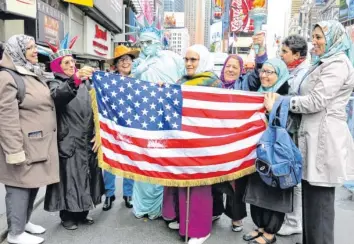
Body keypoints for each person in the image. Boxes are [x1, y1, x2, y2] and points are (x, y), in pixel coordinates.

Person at [264, 20, 354, 244]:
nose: (314, 42)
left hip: (324, 140)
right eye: (313, 37)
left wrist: (282, 103)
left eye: (319, 37)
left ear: (334, 38)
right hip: (311, 138)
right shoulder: (323, 62)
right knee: (311, 202)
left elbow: (316, 101)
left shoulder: (338, 64)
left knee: (320, 206)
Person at [0, 34, 59, 244]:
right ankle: (15, 233)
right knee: (18, 187)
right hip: (22, 146)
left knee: (33, 184)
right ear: (17, 51)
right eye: (30, 48)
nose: (36, 51)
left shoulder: (31, 72)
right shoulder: (7, 77)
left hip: (38, 144)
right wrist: (14, 151)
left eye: (36, 47)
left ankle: (24, 222)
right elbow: (5, 119)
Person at [44, 34, 105, 230]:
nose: (72, 65)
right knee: (70, 180)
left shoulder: (86, 83)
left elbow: (96, 110)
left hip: (88, 139)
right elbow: (59, 97)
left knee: (87, 176)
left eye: (73, 61)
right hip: (69, 141)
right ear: (57, 67)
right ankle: (67, 216)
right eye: (67, 62)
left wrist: (98, 132)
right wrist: (75, 79)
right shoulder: (54, 84)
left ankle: (83, 212)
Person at [131, 17, 185, 219]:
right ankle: (143, 206)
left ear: (158, 41)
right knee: (144, 160)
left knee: (164, 160)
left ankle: (164, 206)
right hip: (145, 118)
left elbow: (185, 80)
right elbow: (129, 88)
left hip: (168, 117)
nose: (145, 46)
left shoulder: (173, 58)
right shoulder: (138, 63)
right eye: (142, 43)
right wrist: (139, 72)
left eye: (148, 42)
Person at [214, 32, 267, 233]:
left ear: (241, 71)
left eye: (235, 67)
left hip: (239, 141)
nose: (231, 69)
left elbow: (260, 70)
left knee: (237, 181)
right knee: (215, 178)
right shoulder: (214, 85)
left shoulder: (246, 84)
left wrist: (261, 49)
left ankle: (236, 218)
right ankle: (215, 210)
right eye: (228, 66)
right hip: (218, 140)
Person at [243, 58, 293, 244]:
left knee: (274, 190)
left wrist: (273, 110)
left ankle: (270, 232)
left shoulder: (286, 95)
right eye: (262, 71)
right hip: (259, 152)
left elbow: (287, 127)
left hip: (277, 155)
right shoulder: (258, 94)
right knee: (257, 189)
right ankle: (260, 227)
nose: (264, 75)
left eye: (269, 72)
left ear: (279, 74)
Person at [176, 44, 222, 244]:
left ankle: (201, 229)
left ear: (202, 60)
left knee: (199, 188)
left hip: (202, 143)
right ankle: (186, 224)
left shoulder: (213, 83)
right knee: (183, 183)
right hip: (182, 141)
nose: (188, 63)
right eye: (186, 59)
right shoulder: (181, 80)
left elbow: (218, 115)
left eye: (193, 60)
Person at [276, 35, 309, 236]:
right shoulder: (292, 71)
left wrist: (282, 100)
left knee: (295, 175)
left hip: (298, 129)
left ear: (297, 54)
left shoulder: (305, 74)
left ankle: (295, 220)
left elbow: (301, 100)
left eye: (285, 52)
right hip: (291, 128)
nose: (282, 55)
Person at [101, 45, 140, 211]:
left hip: (131, 127)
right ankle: (109, 195)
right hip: (112, 126)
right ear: (115, 64)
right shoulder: (107, 81)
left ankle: (128, 194)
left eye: (128, 59)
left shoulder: (139, 81)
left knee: (130, 161)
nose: (126, 63)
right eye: (122, 60)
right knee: (109, 161)